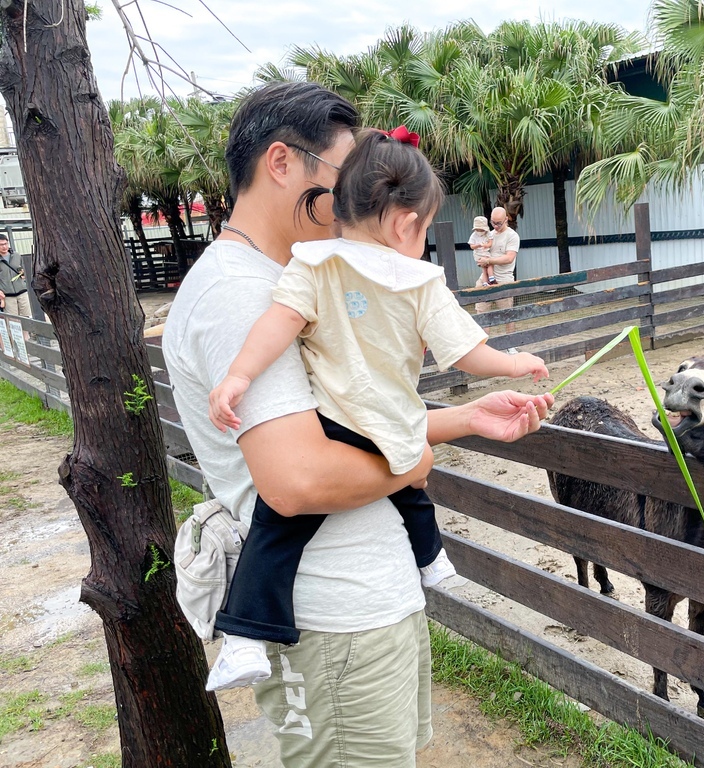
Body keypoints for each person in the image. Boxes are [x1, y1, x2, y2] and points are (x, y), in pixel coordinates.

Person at [162, 82, 553, 768]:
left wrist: (462, 418)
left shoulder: (304, 275)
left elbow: (348, 421)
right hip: (330, 615)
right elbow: (298, 478)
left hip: (363, 605)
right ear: (282, 164)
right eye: (345, 182)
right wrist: (419, 462)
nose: (356, 204)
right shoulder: (243, 293)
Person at [474, 206, 520, 338]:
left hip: (504, 279)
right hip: (485, 279)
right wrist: (481, 259)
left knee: (507, 314)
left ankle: (510, 345)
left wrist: (489, 261)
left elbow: (509, 258)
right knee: (481, 312)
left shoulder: (512, 236)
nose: (495, 225)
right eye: (493, 222)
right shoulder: (489, 234)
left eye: (498, 223)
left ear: (506, 219)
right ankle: (484, 345)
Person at [0, 234, 30, 318]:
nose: (4, 246)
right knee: (13, 322)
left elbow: (24, 270)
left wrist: (24, 274)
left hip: (23, 293)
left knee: (27, 319)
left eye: (6, 243)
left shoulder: (17, 255)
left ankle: (27, 332)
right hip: (8, 296)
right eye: (1, 245)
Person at [468, 215, 496, 284]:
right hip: (478, 254)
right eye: (478, 230)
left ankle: (491, 277)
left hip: (486, 253)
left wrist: (486, 245)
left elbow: (490, 243)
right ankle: (485, 281)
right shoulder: (473, 236)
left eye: (482, 230)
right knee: (484, 268)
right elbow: (471, 246)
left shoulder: (488, 234)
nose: (480, 231)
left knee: (489, 264)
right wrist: (478, 245)